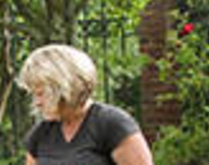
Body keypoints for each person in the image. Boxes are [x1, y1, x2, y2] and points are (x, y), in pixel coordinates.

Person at [16, 44, 154, 165]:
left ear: (64, 89)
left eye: (41, 94)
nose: (37, 103)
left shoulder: (112, 124)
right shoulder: (41, 133)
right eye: (34, 94)